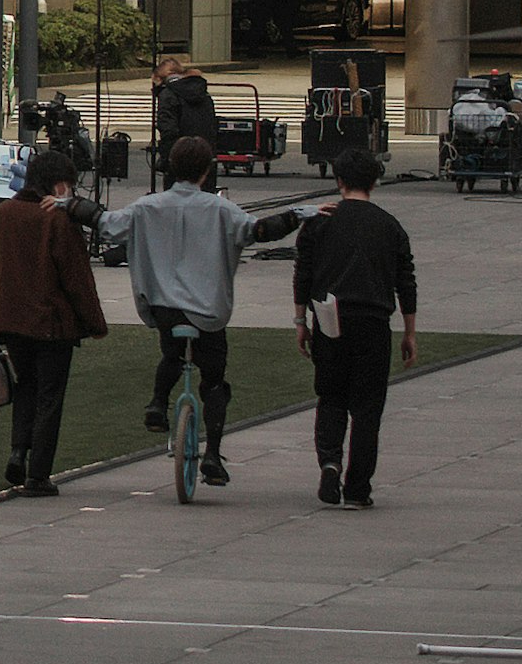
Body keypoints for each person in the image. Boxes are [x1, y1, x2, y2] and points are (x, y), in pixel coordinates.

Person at [118, 134, 308, 485]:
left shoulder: (146, 207)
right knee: (214, 379)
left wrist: (69, 206)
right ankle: (212, 455)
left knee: (171, 354)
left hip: (163, 309)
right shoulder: (221, 210)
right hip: (206, 313)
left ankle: (158, 402)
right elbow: (258, 232)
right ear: (207, 171)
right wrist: (296, 216)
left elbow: (105, 225)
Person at [0, 148, 109, 497]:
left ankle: (18, 452)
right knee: (50, 396)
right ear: (61, 186)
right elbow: (77, 279)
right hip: (51, 323)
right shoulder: (58, 221)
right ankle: (39, 473)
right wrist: (95, 323)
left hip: (9, 320)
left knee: (25, 390)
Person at [290, 148, 419, 507]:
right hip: (375, 321)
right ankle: (358, 487)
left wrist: (301, 321)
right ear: (375, 182)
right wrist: (409, 332)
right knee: (367, 408)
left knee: (330, 397)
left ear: (339, 181)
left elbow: (303, 274)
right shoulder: (390, 225)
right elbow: (405, 283)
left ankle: (330, 462)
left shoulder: (320, 220)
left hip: (330, 318)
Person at [151, 53, 224, 186]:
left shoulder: (168, 94)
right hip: (205, 158)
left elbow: (168, 130)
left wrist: (167, 160)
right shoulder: (203, 93)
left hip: (180, 161)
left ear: (161, 78)